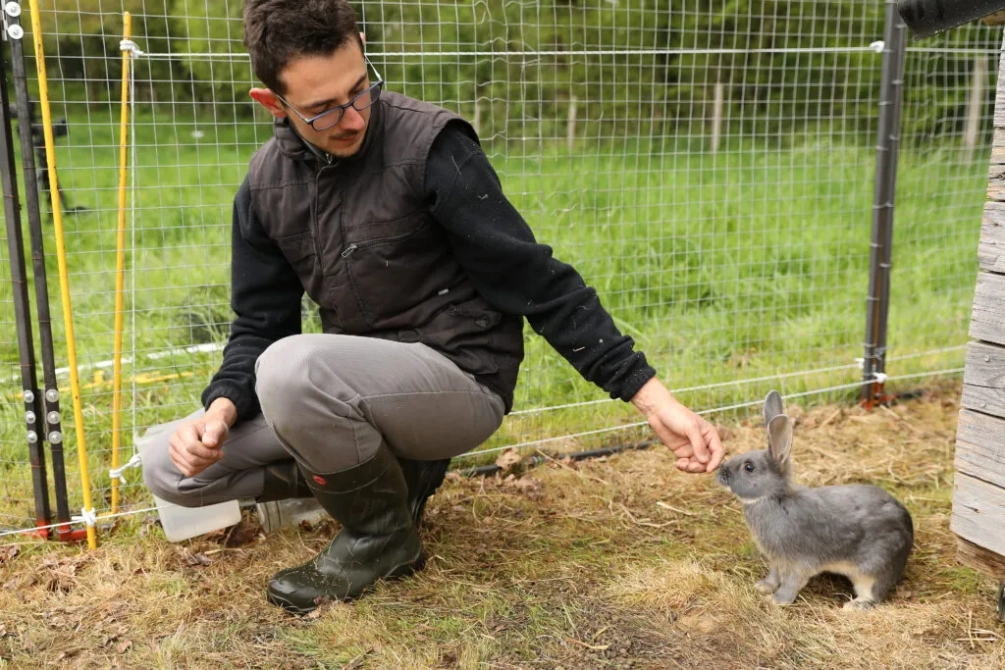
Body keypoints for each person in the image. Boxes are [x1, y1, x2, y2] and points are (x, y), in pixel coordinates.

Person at [142, 0, 724, 615]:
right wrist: (222, 408)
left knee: (294, 368)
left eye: (360, 89)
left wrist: (654, 398)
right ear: (272, 104)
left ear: (362, 49)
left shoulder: (431, 145)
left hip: (460, 377)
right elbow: (259, 325)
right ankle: (387, 487)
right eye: (322, 109)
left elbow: (537, 281)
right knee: (171, 469)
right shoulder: (263, 187)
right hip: (359, 390)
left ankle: (381, 537)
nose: (352, 117)